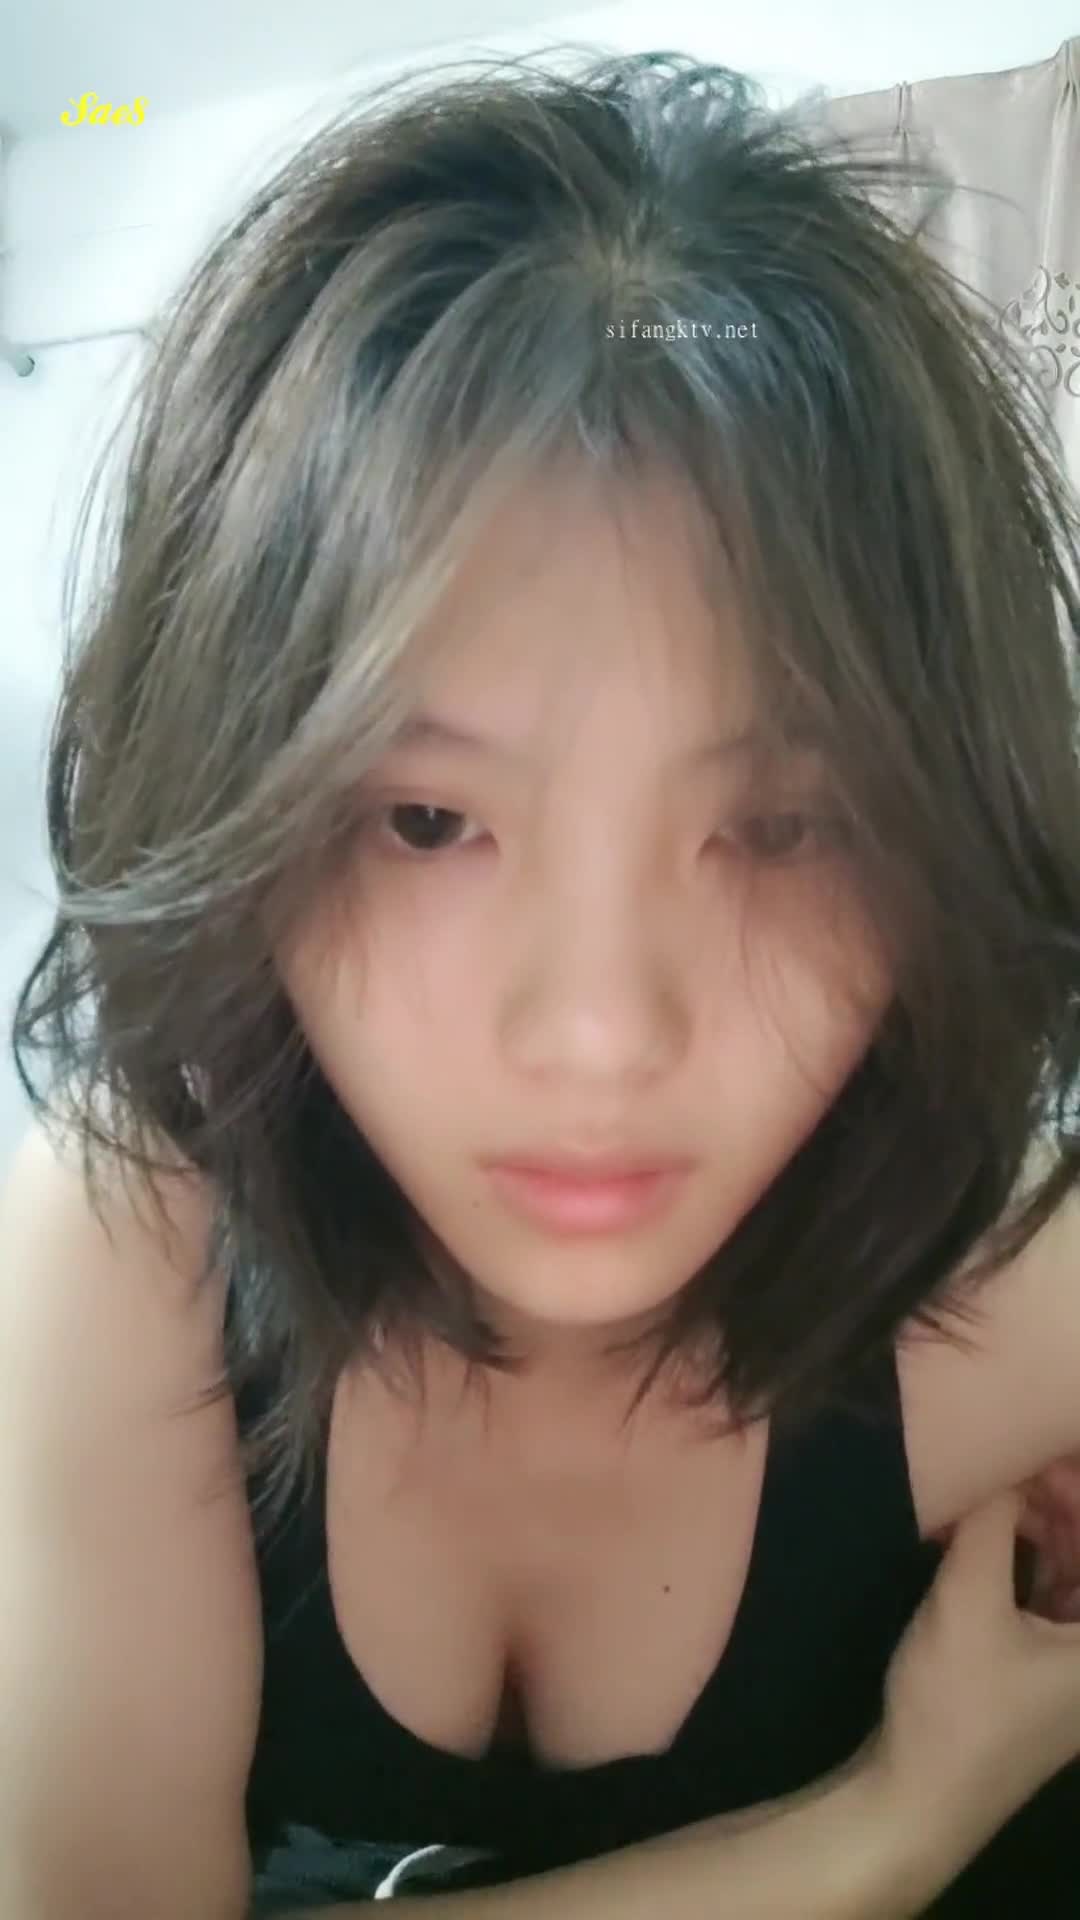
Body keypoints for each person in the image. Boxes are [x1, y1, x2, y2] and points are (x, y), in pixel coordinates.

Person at [3, 45, 1080, 1919]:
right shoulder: (124, 1262)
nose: (599, 1038)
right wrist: (884, 1826)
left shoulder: (1013, 1294)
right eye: (428, 822)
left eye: (781, 827)